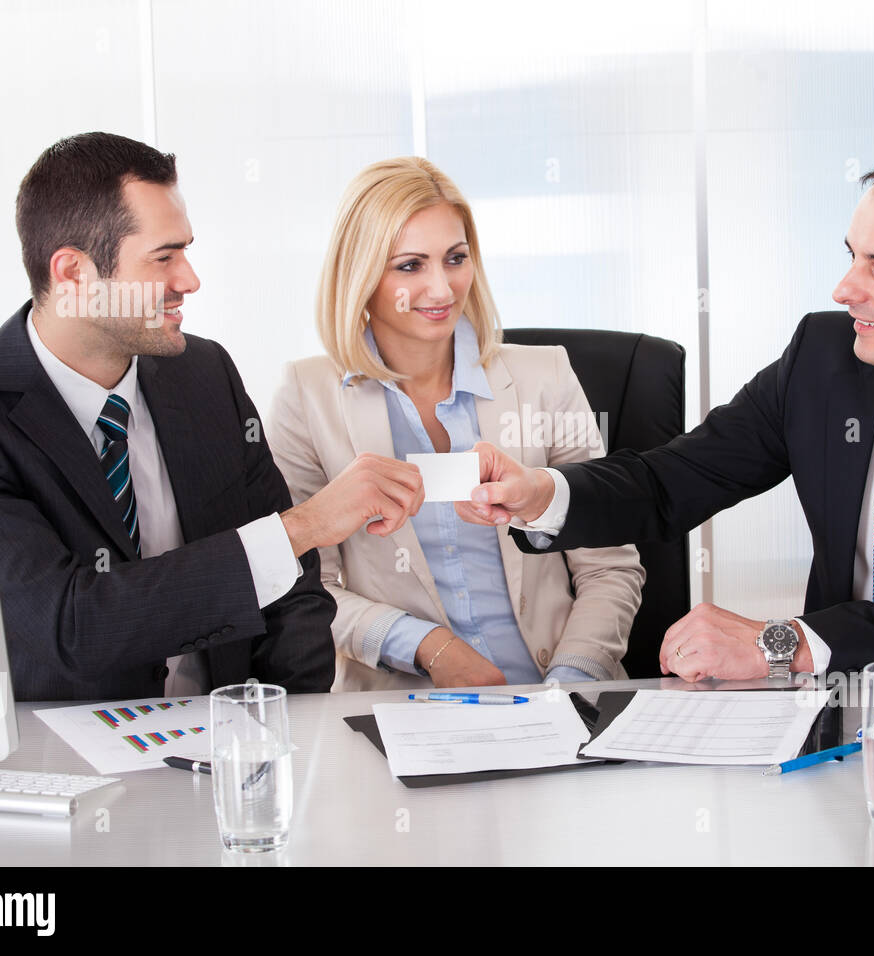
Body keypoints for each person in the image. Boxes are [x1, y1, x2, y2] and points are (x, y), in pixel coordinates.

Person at [460, 146, 874, 681]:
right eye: (853, 255)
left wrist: (782, 643)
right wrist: (543, 494)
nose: (844, 289)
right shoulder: (822, 358)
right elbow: (673, 480)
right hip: (832, 700)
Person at [0, 132, 425, 701]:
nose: (189, 279)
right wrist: (304, 526)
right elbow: (71, 625)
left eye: (186, 250)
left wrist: (275, 727)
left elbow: (295, 594)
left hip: (230, 747)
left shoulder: (204, 373)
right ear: (73, 273)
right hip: (67, 761)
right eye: (164, 257)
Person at [268, 157, 644, 690]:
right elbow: (307, 588)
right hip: (409, 707)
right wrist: (430, 647)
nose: (442, 290)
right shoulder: (308, 397)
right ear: (362, 273)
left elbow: (609, 566)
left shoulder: (547, 375)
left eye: (455, 258)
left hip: (559, 687)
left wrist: (569, 683)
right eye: (410, 266)